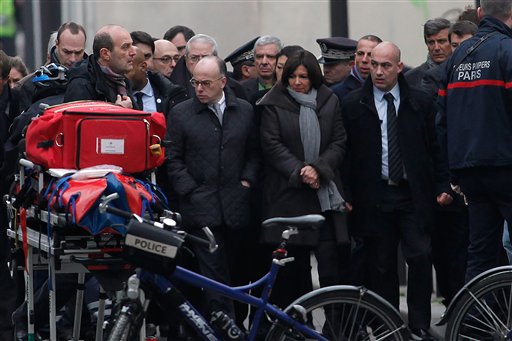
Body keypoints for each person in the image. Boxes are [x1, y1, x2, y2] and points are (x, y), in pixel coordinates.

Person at [341, 41, 452, 341]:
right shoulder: (354, 104)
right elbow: (346, 156)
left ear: (399, 67)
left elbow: (435, 149)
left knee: (419, 255)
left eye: (385, 65)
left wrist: (443, 185)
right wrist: (348, 195)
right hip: (374, 196)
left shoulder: (419, 102)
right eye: (374, 65)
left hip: (412, 194)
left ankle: (418, 323)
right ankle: (387, 325)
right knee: (382, 263)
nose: (378, 71)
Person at [166, 56, 259, 319]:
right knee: (213, 276)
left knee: (238, 273)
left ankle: (235, 326)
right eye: (195, 82)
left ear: (223, 82)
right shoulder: (182, 113)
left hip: (237, 206)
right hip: (201, 209)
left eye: (206, 83)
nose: (199, 88)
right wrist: (191, 190)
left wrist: (246, 181)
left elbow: (254, 153)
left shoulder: (243, 110)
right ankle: (222, 329)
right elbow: (172, 158)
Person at [258, 50, 348, 312]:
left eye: (304, 77)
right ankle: (295, 325)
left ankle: (336, 326)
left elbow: (339, 141)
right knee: (294, 271)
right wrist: (301, 171)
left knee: (331, 266)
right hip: (289, 196)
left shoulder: (329, 100)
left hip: (324, 195)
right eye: (293, 77)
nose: (298, 82)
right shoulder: (273, 102)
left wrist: (319, 169)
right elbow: (271, 145)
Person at [436, 0, 512, 282]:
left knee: (479, 254)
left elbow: (441, 122)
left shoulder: (457, 58)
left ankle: (472, 324)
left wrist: (453, 173)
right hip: (505, 166)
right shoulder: (507, 51)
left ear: (480, 14)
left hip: (469, 172)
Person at [17, 22, 87, 113]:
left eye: (78, 53)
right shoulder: (32, 85)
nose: (73, 59)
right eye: (67, 52)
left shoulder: (94, 81)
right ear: (57, 44)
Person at [64, 24, 136, 107]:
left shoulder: (121, 80)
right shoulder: (81, 84)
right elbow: (77, 119)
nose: (133, 52)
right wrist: (118, 111)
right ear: (105, 54)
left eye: (132, 45)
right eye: (125, 47)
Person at [170, 34, 246, 100]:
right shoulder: (173, 89)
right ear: (186, 59)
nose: (200, 62)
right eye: (194, 58)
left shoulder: (234, 88)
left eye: (206, 57)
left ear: (215, 58)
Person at [405, 18, 452, 95]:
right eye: (431, 42)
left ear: (452, 42)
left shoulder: (462, 74)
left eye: (441, 41)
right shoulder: (411, 78)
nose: (436, 48)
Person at [332, 34, 381, 103]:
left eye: (370, 55)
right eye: (360, 54)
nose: (364, 60)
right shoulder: (337, 93)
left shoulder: (393, 88)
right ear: (355, 57)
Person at [241, 35, 282, 104]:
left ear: (280, 59)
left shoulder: (290, 88)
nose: (264, 62)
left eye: (270, 57)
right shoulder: (241, 89)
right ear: (254, 59)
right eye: (259, 57)